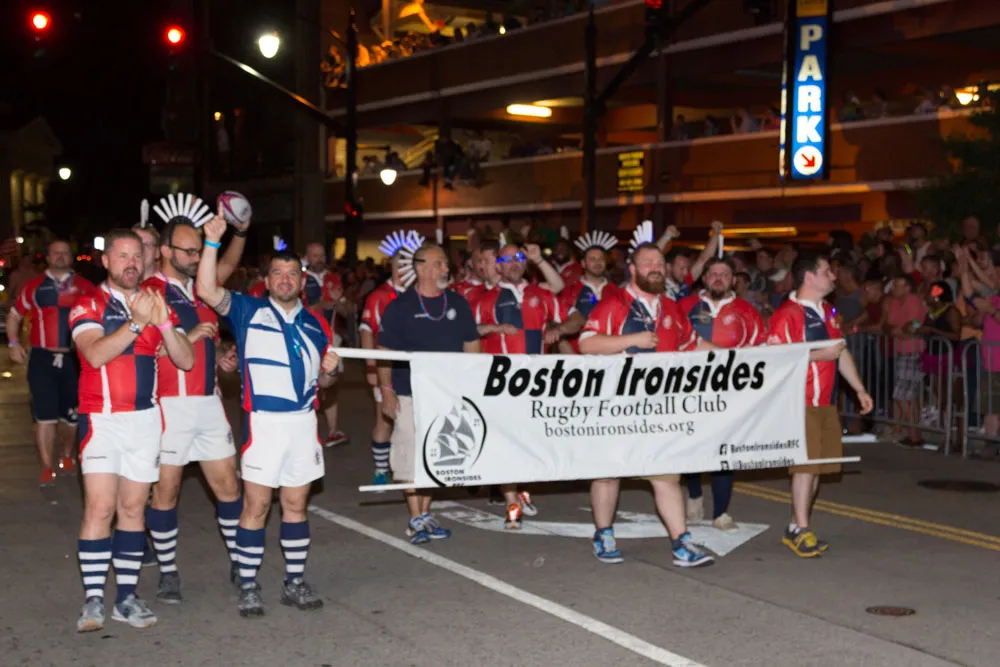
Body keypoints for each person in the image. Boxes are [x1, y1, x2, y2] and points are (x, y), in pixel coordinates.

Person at [196, 211, 340, 618]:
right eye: (278, 273)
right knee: (256, 507)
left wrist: (332, 373)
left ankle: (294, 582)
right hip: (263, 424)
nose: (285, 280)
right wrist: (212, 241)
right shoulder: (247, 310)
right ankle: (249, 584)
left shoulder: (317, 325)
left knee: (296, 504)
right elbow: (206, 289)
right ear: (267, 280)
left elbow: (324, 383)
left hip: (304, 424)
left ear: (303, 281)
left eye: (292, 274)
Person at [70, 229, 195, 632]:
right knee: (100, 507)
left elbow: (186, 360)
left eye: (137, 256)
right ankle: (93, 599)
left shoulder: (157, 302)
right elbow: (94, 354)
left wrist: (166, 324)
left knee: (133, 510)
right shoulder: (87, 303)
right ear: (106, 261)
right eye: (122, 256)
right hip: (101, 420)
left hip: (145, 421)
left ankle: (126, 598)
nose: (131, 263)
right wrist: (138, 323)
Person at [579, 241, 717, 567]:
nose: (655, 268)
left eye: (659, 263)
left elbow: (693, 344)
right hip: (617, 407)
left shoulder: (671, 307)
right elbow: (586, 343)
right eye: (647, 263)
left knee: (667, 476)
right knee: (608, 473)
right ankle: (603, 534)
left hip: (660, 409)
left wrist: (742, 358)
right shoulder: (614, 303)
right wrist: (632, 341)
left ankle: (681, 542)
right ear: (633, 269)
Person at [142, 217, 246, 604]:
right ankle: (168, 571)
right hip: (168, 406)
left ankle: (241, 562)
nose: (195, 257)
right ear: (165, 251)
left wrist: (221, 359)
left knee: (229, 487)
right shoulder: (149, 293)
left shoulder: (202, 292)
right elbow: (140, 350)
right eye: (187, 251)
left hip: (208, 402)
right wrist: (188, 336)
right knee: (165, 492)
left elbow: (208, 343)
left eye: (198, 251)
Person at [766, 253, 873, 558]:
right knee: (805, 467)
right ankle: (801, 528)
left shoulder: (827, 311)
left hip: (826, 401)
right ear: (809, 277)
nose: (833, 277)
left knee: (817, 469)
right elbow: (775, 360)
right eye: (827, 271)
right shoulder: (787, 314)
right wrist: (818, 356)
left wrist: (859, 389)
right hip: (799, 402)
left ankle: (796, 526)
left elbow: (839, 352)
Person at [377, 244, 480, 544]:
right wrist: (387, 390)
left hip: (447, 396)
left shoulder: (458, 304)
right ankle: (416, 518)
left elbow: (472, 348)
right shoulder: (400, 307)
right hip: (409, 393)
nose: (446, 269)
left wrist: (473, 390)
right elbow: (383, 353)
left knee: (435, 456)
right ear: (420, 268)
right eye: (439, 264)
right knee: (411, 454)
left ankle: (424, 513)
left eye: (446, 264)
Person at [474, 242, 567, 527]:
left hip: (536, 385)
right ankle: (511, 505)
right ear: (498, 267)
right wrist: (494, 328)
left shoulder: (541, 294)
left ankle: (522, 490)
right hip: (501, 385)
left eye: (517, 258)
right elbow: (467, 331)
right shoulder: (485, 299)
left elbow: (566, 303)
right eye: (506, 259)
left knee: (530, 444)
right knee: (506, 445)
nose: (513, 263)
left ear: (524, 263)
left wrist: (558, 329)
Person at [678, 257, 765, 531]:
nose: (718, 278)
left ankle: (721, 513)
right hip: (688, 390)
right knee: (690, 447)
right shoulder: (683, 307)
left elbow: (761, 350)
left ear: (734, 280)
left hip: (729, 393)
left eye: (724, 274)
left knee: (725, 450)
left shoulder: (747, 311)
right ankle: (694, 493)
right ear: (704, 278)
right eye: (713, 273)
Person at [7, 239, 97, 486]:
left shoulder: (85, 287)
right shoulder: (34, 286)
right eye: (55, 253)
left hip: (74, 359)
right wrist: (14, 343)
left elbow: (101, 316)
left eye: (65, 253)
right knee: (43, 415)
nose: (60, 257)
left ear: (71, 257)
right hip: (42, 358)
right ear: (47, 257)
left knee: (71, 415)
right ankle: (47, 467)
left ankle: (67, 455)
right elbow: (14, 315)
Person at [360, 231, 422, 485]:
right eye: (400, 262)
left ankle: (414, 466)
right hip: (386, 368)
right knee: (385, 419)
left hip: (416, 371)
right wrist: (371, 367)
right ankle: (381, 469)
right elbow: (366, 331)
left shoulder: (419, 294)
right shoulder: (379, 296)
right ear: (393, 265)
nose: (405, 268)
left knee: (416, 420)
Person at [303, 242, 348, 448]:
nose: (319, 259)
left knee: (331, 382)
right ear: (307, 257)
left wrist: (340, 303)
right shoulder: (300, 278)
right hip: (307, 337)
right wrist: (321, 304)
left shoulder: (334, 278)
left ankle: (333, 431)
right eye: (315, 255)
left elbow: (346, 311)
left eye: (322, 255)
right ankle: (305, 432)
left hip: (332, 338)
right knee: (306, 383)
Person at [556, 230, 622, 353]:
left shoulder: (617, 292)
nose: (597, 262)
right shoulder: (570, 292)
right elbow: (557, 327)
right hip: (580, 357)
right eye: (592, 259)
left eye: (601, 258)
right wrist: (571, 357)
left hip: (612, 357)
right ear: (583, 263)